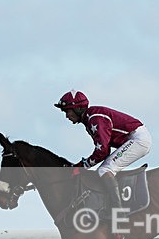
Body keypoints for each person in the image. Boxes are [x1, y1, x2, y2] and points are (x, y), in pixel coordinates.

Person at [54, 89, 152, 220]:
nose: (67, 116)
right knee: (105, 168)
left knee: (105, 169)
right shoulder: (90, 118)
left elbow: (103, 151)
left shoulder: (94, 118)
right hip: (134, 138)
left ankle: (118, 213)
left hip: (137, 139)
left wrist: (81, 166)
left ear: (78, 108)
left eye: (68, 111)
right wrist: (82, 165)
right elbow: (103, 151)